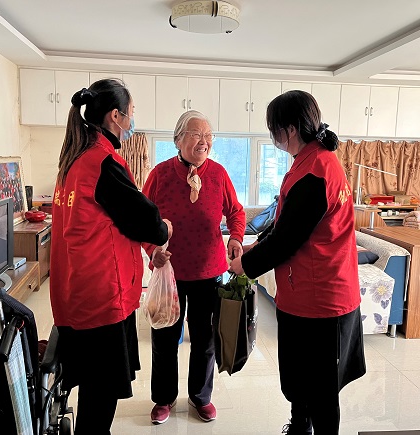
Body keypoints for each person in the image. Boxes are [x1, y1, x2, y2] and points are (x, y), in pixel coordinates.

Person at [229, 90, 366, 435]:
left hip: (320, 300)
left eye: (274, 129)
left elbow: (289, 239)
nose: (273, 137)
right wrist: (255, 245)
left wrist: (246, 265)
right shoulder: (310, 161)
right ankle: (300, 426)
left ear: (289, 129)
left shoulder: (317, 170)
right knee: (299, 378)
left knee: (321, 389)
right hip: (303, 292)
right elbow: (284, 222)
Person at [49, 78, 173, 435]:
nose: (133, 121)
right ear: (115, 116)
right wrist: (163, 229)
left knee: (92, 388)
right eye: (131, 113)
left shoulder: (73, 161)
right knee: (100, 397)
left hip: (76, 291)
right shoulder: (102, 162)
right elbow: (143, 219)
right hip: (102, 297)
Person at [142, 110, 246, 425]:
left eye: (208, 135)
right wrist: (152, 251)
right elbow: (141, 221)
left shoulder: (219, 173)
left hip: (209, 272)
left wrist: (236, 238)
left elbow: (236, 212)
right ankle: (164, 398)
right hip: (168, 274)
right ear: (178, 140)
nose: (204, 141)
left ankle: (200, 397)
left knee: (205, 340)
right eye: (196, 134)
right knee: (164, 338)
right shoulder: (160, 174)